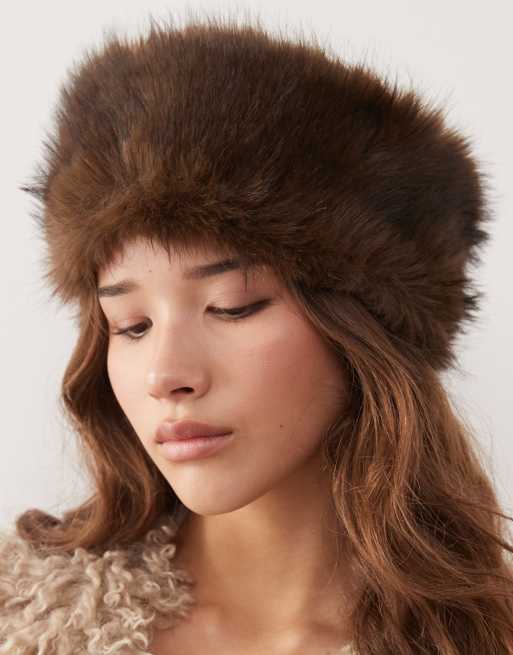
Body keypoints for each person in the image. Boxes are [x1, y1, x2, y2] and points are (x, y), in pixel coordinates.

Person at [1, 11, 512, 655]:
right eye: (131, 325)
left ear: (365, 332)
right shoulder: (22, 617)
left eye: (232, 307)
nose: (166, 375)